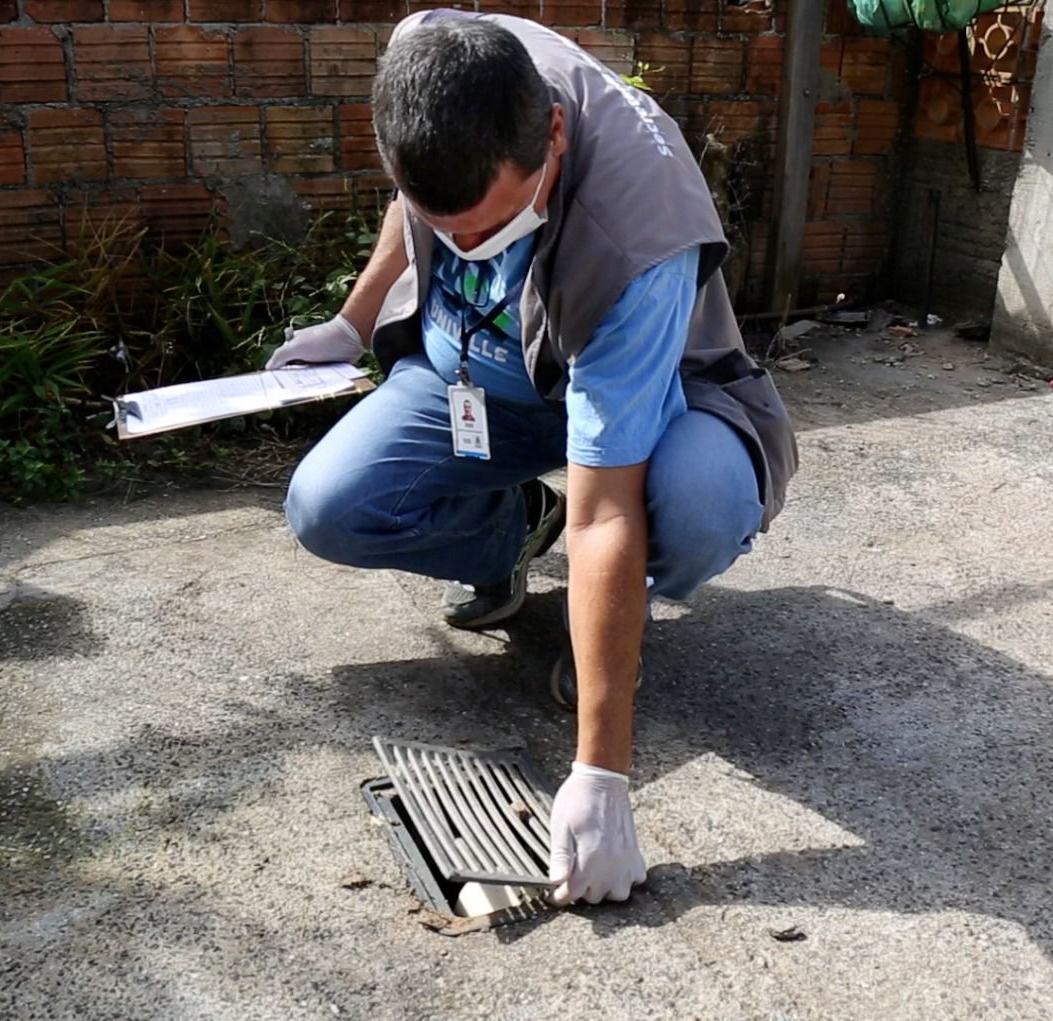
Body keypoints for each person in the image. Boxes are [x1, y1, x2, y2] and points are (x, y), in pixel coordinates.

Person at [269, 11, 797, 907]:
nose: (471, 249)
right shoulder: (427, 55)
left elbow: (605, 509)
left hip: (647, 401)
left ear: (553, 134)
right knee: (327, 505)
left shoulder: (639, 230)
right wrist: (354, 323)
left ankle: (611, 644)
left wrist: (602, 774)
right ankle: (515, 531)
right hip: (477, 383)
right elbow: (414, 210)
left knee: (697, 502)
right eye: (452, 230)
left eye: (498, 225)